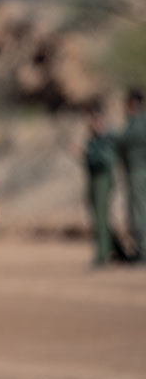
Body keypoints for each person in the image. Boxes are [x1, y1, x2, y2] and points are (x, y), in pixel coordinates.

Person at [84, 106, 117, 265]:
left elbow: (106, 160)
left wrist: (88, 154)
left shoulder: (105, 139)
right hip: (95, 180)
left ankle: (103, 254)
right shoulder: (94, 139)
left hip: (102, 180)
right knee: (97, 217)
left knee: (102, 218)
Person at [119, 89, 146, 259]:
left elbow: (125, 139)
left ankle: (142, 250)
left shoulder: (138, 123)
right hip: (135, 171)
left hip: (139, 171)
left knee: (139, 211)